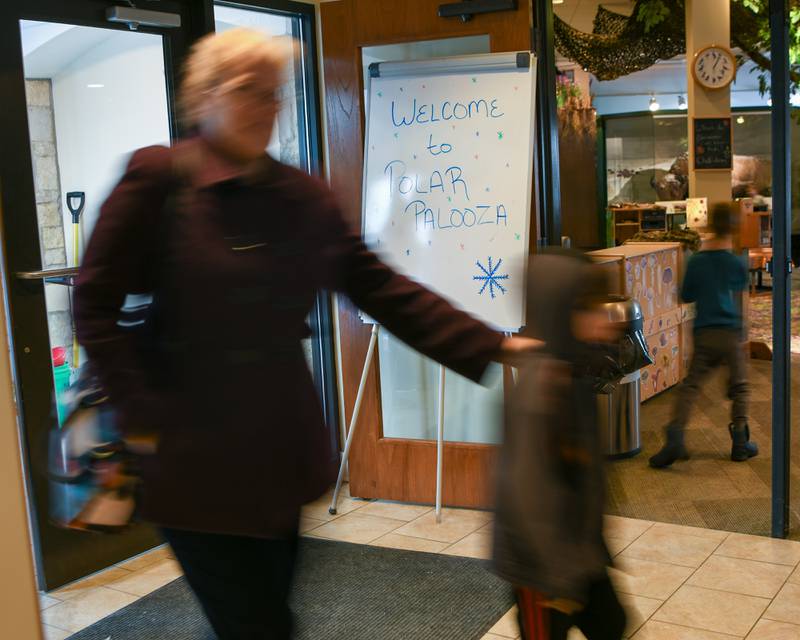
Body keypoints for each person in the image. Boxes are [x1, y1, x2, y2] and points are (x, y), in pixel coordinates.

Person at [73, 28, 536, 640]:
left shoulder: (300, 196)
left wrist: (492, 343)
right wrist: (143, 418)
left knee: (267, 615)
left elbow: (379, 288)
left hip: (277, 453)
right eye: (247, 91)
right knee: (256, 624)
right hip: (191, 459)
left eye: (274, 94)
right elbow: (94, 306)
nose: (266, 107)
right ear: (204, 97)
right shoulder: (158, 181)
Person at [493, 251, 627, 640]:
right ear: (561, 312)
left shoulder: (575, 372)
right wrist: (560, 579)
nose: (605, 321)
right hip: (541, 571)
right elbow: (528, 494)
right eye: (591, 310)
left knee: (613, 624)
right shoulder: (540, 392)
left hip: (579, 555)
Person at [649, 201, 755, 468]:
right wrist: (744, 335)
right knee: (740, 386)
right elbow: (743, 301)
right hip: (730, 332)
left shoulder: (696, 261)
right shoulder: (736, 262)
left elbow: (686, 296)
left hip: (705, 332)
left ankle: (675, 437)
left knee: (691, 386)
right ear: (733, 228)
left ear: (709, 225)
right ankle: (740, 443)